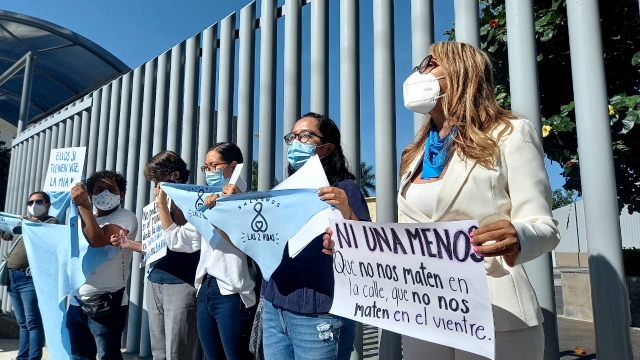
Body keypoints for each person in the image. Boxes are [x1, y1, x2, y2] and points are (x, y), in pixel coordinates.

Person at [397, 41, 560, 359]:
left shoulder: (511, 133)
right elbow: (407, 237)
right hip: (424, 309)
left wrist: (517, 235)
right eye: (419, 66)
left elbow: (544, 226)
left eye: (429, 63)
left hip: (496, 311)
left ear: (463, 71)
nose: (419, 72)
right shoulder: (413, 155)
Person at [260, 112, 371, 360]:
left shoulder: (343, 188)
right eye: (293, 136)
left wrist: (346, 211)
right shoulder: (284, 190)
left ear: (328, 147)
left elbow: (367, 247)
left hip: (318, 313)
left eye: (306, 135)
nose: (296, 141)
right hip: (274, 306)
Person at [142, 143, 257, 360]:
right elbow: (180, 241)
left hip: (233, 292)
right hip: (205, 288)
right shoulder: (206, 203)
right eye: (206, 167)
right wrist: (162, 206)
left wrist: (231, 204)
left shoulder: (250, 201)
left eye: (214, 166)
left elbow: (248, 241)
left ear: (233, 167)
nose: (209, 172)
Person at [130, 151, 201, 359]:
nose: (155, 187)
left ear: (175, 176)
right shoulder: (159, 206)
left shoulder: (189, 199)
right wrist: (129, 244)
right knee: (159, 350)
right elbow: (156, 245)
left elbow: (181, 239)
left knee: (178, 350)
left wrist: (165, 203)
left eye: (158, 179)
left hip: (181, 282)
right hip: (155, 280)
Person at [67, 170, 138, 360]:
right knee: (80, 356)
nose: (105, 194)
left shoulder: (125, 217)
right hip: (76, 302)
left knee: (108, 356)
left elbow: (97, 239)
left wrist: (83, 205)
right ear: (91, 194)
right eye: (99, 190)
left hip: (106, 304)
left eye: (111, 189)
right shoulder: (84, 219)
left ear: (121, 194)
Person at [0, 191, 59, 360]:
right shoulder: (24, 224)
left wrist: (25, 222)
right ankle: (22, 356)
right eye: (31, 202)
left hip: (29, 279)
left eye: (39, 201)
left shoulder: (51, 222)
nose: (34, 205)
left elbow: (45, 236)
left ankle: (32, 357)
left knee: (33, 323)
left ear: (47, 205)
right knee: (23, 323)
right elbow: (6, 234)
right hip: (13, 277)